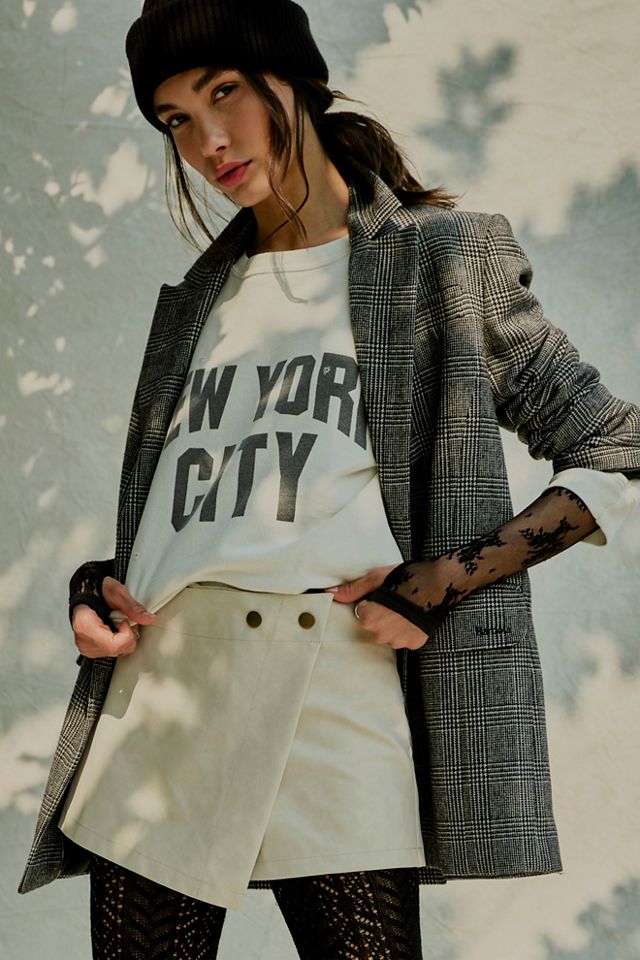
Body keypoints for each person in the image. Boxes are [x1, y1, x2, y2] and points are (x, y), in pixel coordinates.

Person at [19, 1, 640, 958]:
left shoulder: (441, 259)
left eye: (225, 92)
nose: (209, 141)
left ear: (294, 81)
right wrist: (100, 583)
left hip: (333, 686)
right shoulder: (200, 302)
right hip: (164, 697)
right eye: (176, 119)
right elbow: (211, 515)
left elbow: (615, 445)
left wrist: (443, 580)